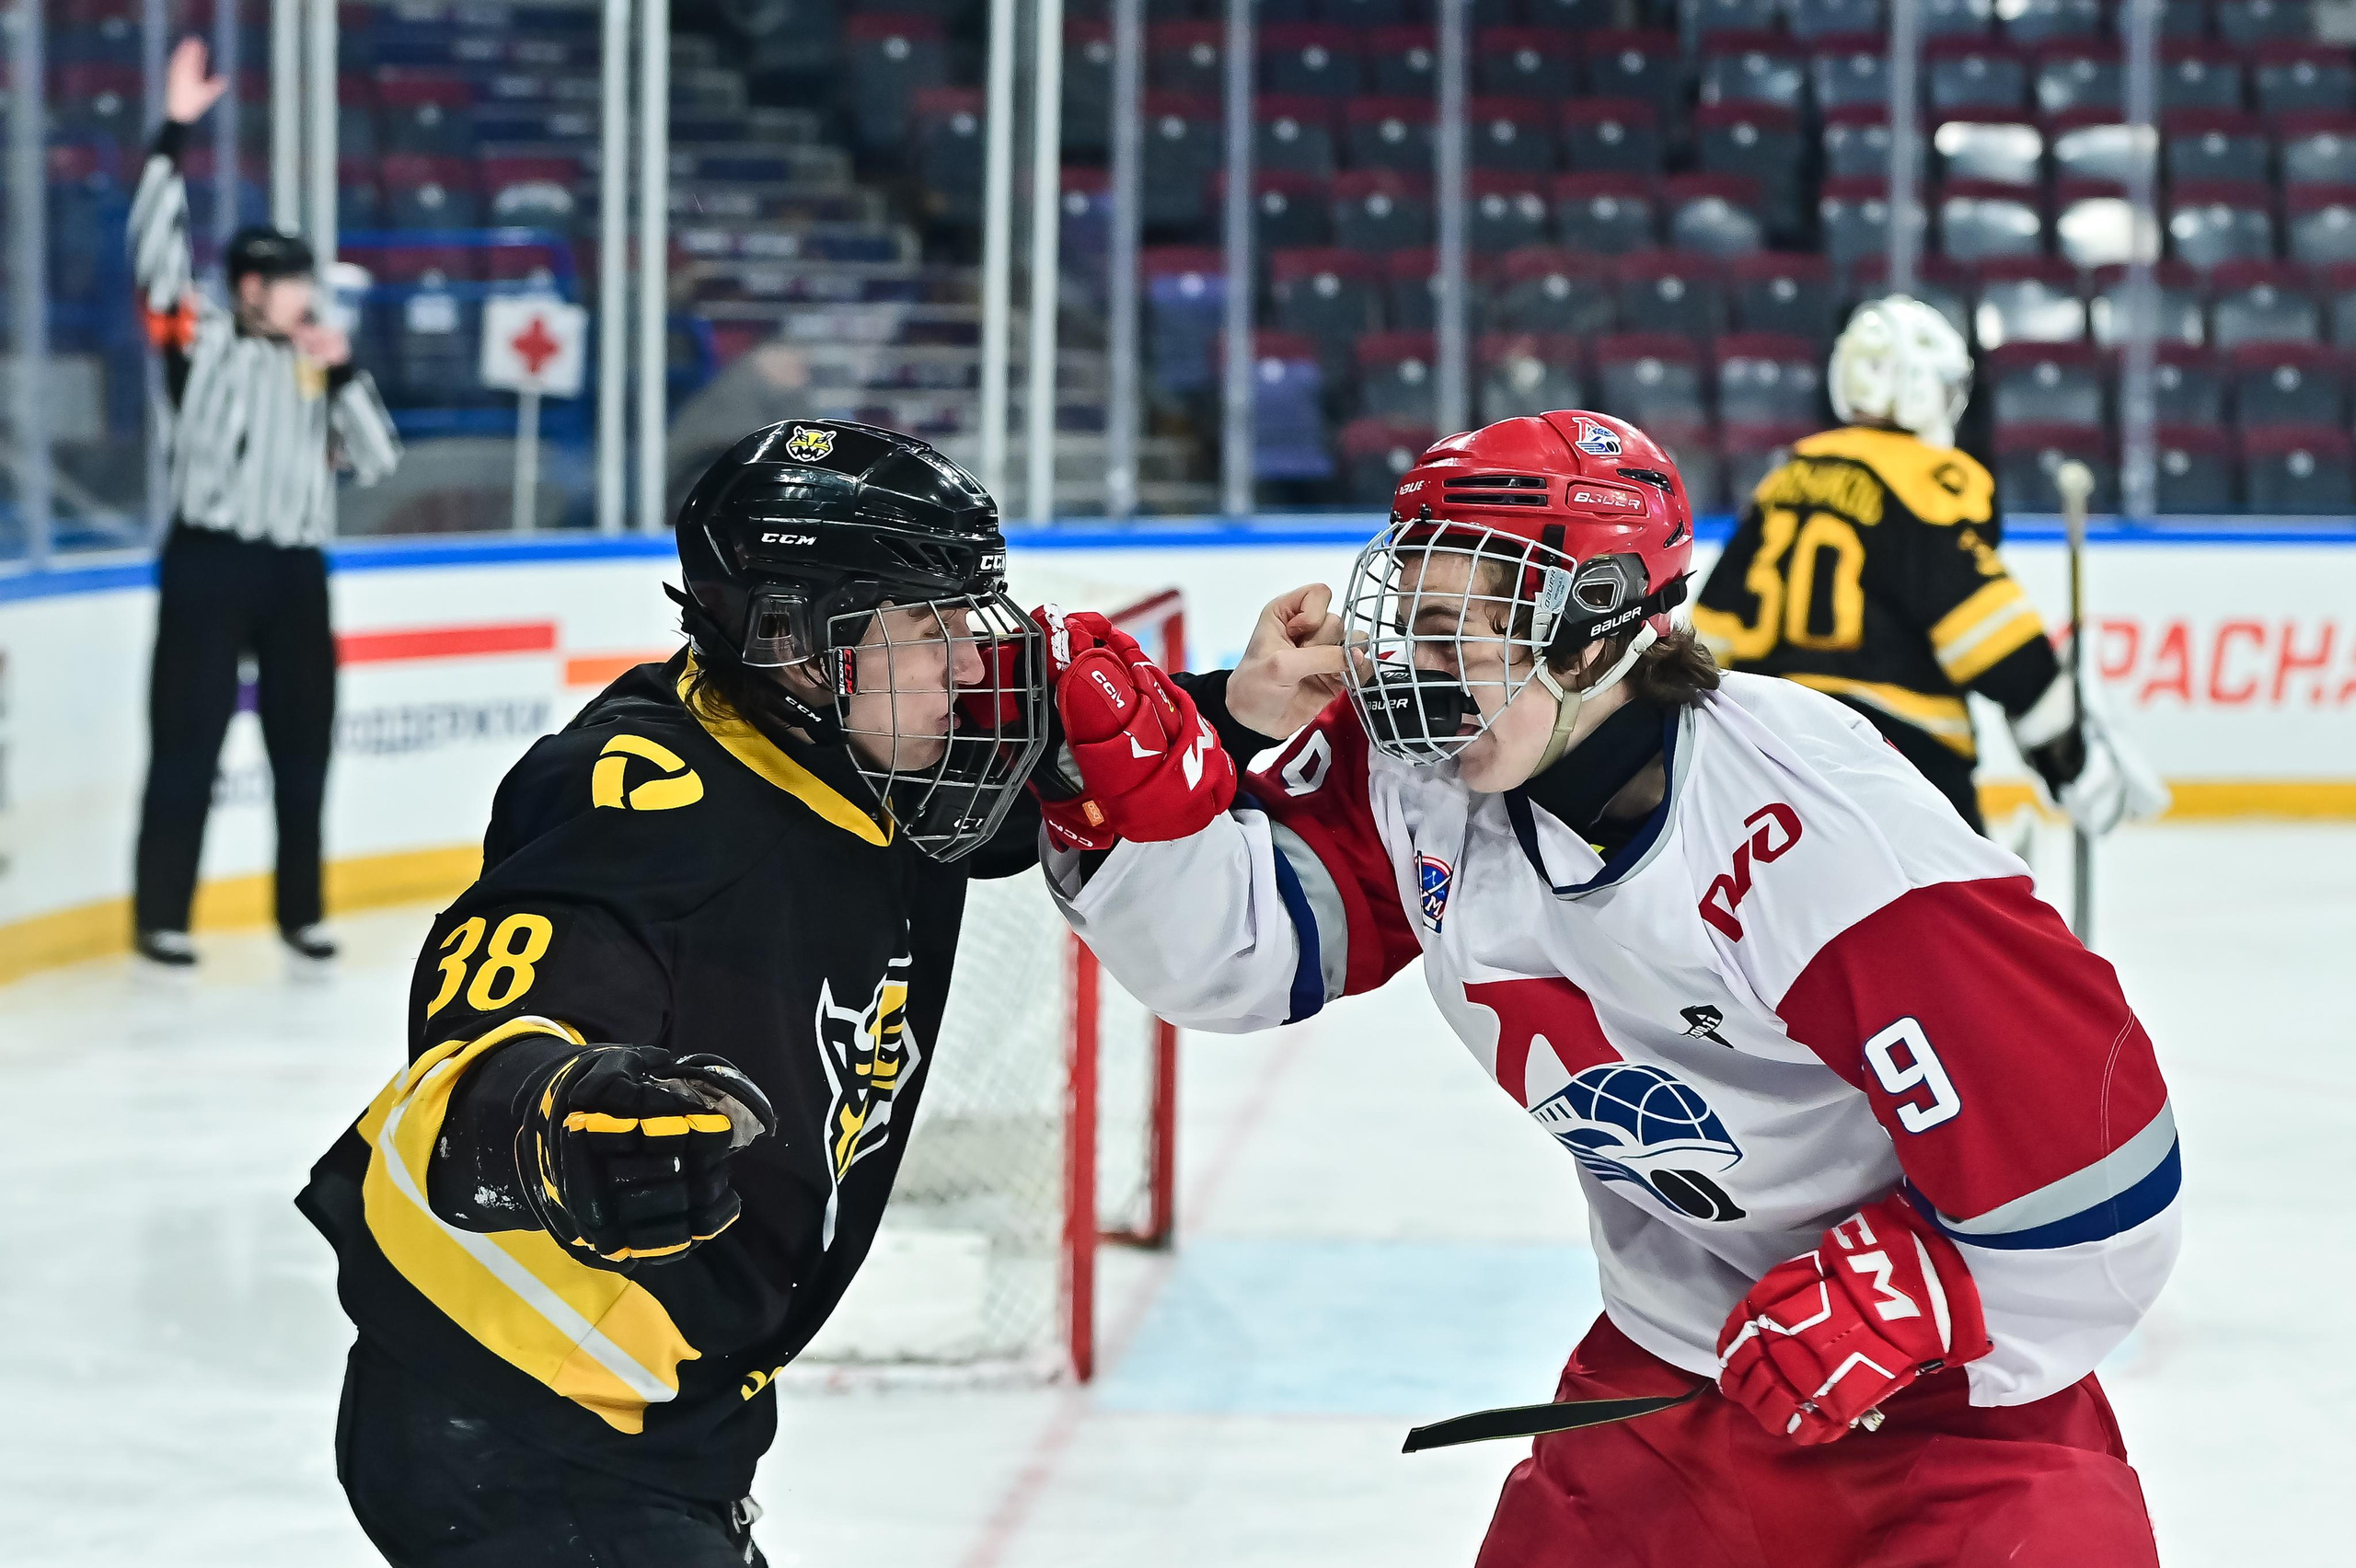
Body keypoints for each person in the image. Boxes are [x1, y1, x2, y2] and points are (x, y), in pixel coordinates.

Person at [1038, 410, 2180, 1567]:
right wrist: (1140, 818)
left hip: (1957, 1421)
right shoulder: (1426, 777)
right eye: (1405, 621)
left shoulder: (1822, 840)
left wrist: (1935, 1289)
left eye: (1454, 634)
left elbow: (2097, 1170)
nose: (1405, 675)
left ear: (1593, 634)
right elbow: (1241, 958)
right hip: (1667, 1384)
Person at [297, 420, 1075, 1565]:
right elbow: (483, 1033)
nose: (968, 661)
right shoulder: (646, 796)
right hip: (517, 1417)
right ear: (799, 644)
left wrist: (1230, 712)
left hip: (656, 1414)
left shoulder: (857, 750)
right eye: (927, 626)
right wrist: (546, 1107)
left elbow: (1014, 810)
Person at [127, 37, 403, 971]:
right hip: (209, 561)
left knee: (304, 745)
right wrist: (171, 134)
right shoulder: (197, 340)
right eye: (293, 282)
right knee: (187, 744)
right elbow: (154, 257)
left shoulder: (320, 363)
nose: (308, 296)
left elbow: (376, 459)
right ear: (251, 289)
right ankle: (162, 916)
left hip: (294, 568)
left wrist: (346, 373)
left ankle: (301, 910)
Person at [1691, 295, 2164, 837]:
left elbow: (1709, 639)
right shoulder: (1929, 478)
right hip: (1896, 755)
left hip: (1768, 751)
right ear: (1919, 387)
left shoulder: (1785, 477)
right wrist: (2069, 760)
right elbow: (1991, 639)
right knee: (1963, 917)